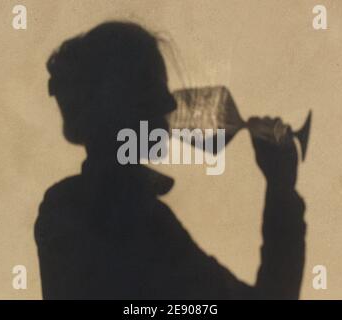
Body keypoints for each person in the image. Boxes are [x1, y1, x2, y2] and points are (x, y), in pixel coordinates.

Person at [35, 21, 306, 299]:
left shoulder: (66, 207)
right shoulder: (138, 221)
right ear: (117, 102)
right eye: (152, 87)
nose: (170, 104)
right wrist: (280, 189)